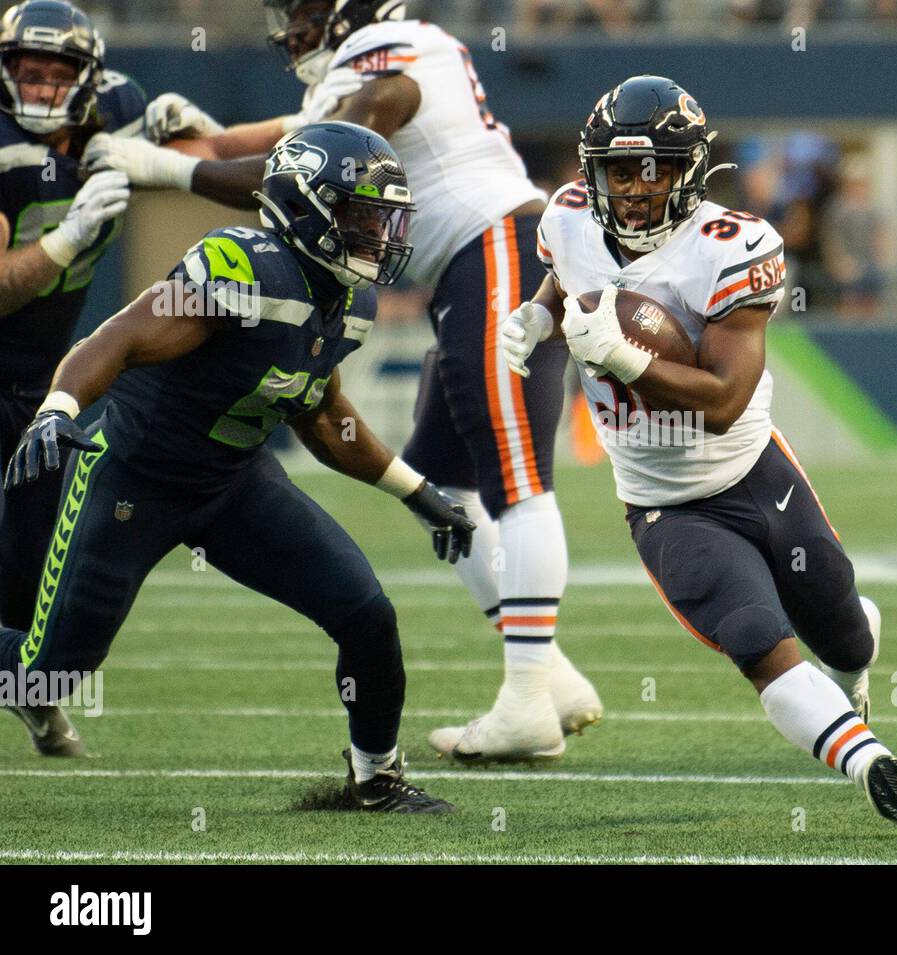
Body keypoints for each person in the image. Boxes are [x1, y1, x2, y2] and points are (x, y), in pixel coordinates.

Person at [82, 0, 601, 762]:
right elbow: (273, 145)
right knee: (443, 489)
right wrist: (186, 132)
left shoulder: (388, 60)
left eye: (302, 11)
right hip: (471, 263)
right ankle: (550, 676)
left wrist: (166, 165)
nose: (290, 30)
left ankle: (526, 695)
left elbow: (280, 169)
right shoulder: (373, 70)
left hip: (496, 246)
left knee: (516, 473)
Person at [494, 75, 897, 837]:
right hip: (664, 502)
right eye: (619, 170)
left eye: (657, 170)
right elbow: (564, 275)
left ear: (692, 170)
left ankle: (853, 667)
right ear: (592, 170)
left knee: (844, 632)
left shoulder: (732, 246)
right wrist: (538, 316)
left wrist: (623, 356)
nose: (637, 190)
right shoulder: (569, 217)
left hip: (753, 471)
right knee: (754, 636)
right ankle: (872, 762)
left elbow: (725, 398)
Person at [0, 121, 477, 811]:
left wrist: (417, 491)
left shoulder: (351, 301)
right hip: (135, 477)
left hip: (234, 484)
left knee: (367, 613)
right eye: (361, 215)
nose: (380, 234)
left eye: (385, 218)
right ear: (305, 206)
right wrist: (59, 406)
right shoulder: (244, 266)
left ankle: (376, 777)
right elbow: (122, 335)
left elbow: (323, 415)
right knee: (49, 673)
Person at [0, 0, 141, 653]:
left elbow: (198, 152)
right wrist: (71, 236)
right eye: (28, 73)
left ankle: (29, 691)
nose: (41, 89)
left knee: (32, 576)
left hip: (37, 386)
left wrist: (176, 140)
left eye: (57, 75)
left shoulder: (116, 109)